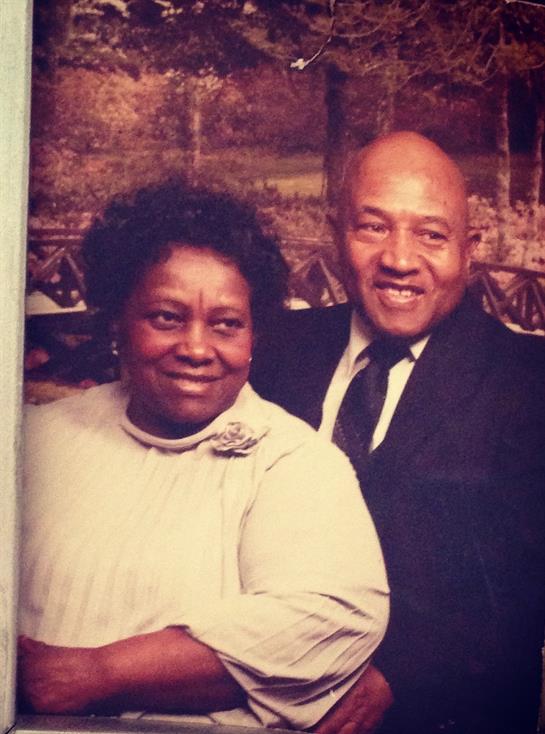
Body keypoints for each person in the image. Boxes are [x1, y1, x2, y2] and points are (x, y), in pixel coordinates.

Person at [18, 182, 390, 729]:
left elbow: (330, 617)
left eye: (226, 324)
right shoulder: (39, 437)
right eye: (166, 317)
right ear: (118, 320)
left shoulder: (295, 463)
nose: (196, 348)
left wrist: (98, 673)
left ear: (254, 336)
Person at [252, 132, 545, 734]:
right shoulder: (274, 351)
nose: (400, 259)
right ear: (337, 233)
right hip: (260, 702)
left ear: (469, 249)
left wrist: (401, 674)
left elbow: (527, 587)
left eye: (431, 234)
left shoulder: (529, 383)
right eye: (373, 227)